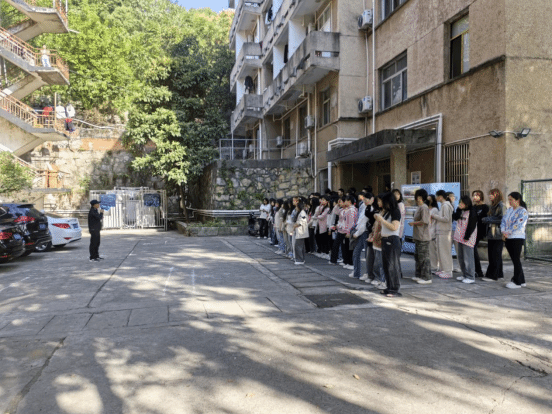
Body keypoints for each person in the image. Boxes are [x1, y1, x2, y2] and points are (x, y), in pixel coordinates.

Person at [375, 192, 402, 297]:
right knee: (386, 266)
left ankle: (394, 289)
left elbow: (394, 227)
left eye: (382, 201)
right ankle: (389, 287)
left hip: (392, 240)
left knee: (392, 266)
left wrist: (381, 220)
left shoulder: (395, 211)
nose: (380, 203)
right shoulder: (386, 212)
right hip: (385, 239)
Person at [501, 192, 529, 289]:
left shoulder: (522, 211)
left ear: (518, 200)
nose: (509, 202)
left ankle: (517, 282)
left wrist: (507, 233)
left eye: (511, 200)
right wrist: (503, 232)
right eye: (508, 200)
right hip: (508, 237)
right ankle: (522, 280)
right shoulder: (509, 210)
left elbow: (517, 225)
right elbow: (503, 221)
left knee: (516, 260)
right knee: (514, 260)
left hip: (517, 237)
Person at [453, 196, 478, 284]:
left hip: (468, 238)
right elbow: (455, 217)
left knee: (468, 258)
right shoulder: (461, 210)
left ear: (467, 203)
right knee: (461, 257)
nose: (461, 204)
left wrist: (467, 236)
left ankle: (470, 276)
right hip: (459, 237)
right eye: (460, 202)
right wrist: (458, 209)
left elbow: (472, 225)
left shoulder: (472, 211)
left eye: (462, 203)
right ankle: (464, 274)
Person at [481, 189, 506, 281]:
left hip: (498, 234)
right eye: (489, 194)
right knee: (494, 254)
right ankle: (499, 274)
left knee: (494, 255)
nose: (490, 196)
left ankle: (492, 276)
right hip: (492, 233)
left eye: (492, 194)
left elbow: (503, 219)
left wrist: (488, 219)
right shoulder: (493, 206)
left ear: (497, 195)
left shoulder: (501, 205)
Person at [409, 189, 432, 284]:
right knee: (418, 257)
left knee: (424, 258)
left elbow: (425, 221)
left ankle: (426, 277)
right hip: (418, 236)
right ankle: (419, 275)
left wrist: (414, 223)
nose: (417, 199)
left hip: (423, 236)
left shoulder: (424, 207)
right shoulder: (420, 207)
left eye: (419, 197)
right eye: (417, 197)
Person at [432, 190, 454, 278]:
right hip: (441, 231)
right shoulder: (443, 205)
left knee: (445, 252)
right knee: (440, 252)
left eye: (437, 196)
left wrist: (435, 216)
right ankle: (443, 269)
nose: (436, 198)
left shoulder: (446, 205)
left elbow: (446, 218)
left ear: (440, 197)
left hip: (445, 232)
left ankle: (448, 271)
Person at [352, 192, 374, 280]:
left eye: (366, 199)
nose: (364, 201)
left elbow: (364, 223)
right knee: (359, 253)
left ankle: (367, 274)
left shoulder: (371, 208)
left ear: (371, 199)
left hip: (365, 232)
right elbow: (361, 220)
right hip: (362, 232)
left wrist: (357, 233)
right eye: (363, 199)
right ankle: (358, 273)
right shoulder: (364, 206)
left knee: (366, 255)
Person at [472, 190, 489, 278]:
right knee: (472, 249)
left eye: (477, 195)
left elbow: (485, 219)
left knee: (473, 248)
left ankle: (479, 271)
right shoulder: (473, 207)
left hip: (480, 231)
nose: (474, 197)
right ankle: (475, 270)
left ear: (481, 196)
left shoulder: (485, 207)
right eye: (473, 195)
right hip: (472, 231)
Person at [427, 194, 440, 274]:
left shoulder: (434, 209)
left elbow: (432, 221)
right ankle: (431, 266)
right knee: (429, 251)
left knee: (432, 251)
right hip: (426, 232)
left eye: (430, 199)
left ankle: (434, 266)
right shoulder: (426, 208)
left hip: (432, 232)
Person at [293, 200, 309, 265]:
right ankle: (301, 259)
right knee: (300, 246)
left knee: (298, 246)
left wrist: (296, 225)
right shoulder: (300, 213)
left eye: (296, 207)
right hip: (299, 231)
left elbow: (302, 221)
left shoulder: (302, 213)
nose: (296, 208)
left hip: (301, 232)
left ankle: (300, 259)